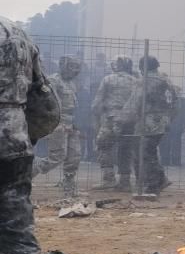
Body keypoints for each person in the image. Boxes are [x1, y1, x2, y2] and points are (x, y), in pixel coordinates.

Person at [0, 16, 60, 254]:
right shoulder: (17, 35)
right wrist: (24, 134)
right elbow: (46, 108)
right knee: (16, 242)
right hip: (12, 149)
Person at [119, 55, 177, 196]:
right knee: (150, 151)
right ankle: (160, 179)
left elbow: (134, 103)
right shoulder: (167, 81)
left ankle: (154, 183)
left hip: (148, 121)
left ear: (142, 68)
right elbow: (176, 102)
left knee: (144, 153)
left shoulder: (144, 81)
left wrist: (123, 120)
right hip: (163, 120)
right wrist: (169, 118)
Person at [34, 55, 83, 198]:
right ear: (64, 66)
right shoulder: (54, 81)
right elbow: (48, 103)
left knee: (74, 155)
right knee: (57, 157)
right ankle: (28, 172)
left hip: (70, 121)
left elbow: (72, 106)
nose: (75, 71)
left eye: (76, 68)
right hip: (58, 122)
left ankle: (69, 187)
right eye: (72, 67)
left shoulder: (71, 83)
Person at [91, 56, 137, 190]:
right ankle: (125, 181)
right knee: (125, 149)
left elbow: (97, 102)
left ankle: (108, 178)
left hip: (111, 118)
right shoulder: (135, 81)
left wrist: (96, 117)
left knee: (103, 145)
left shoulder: (108, 79)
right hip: (130, 120)